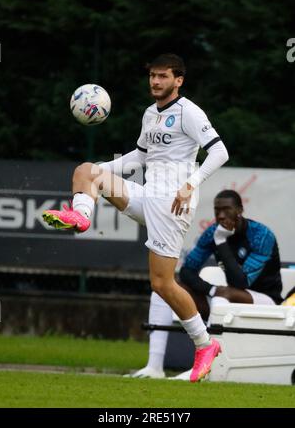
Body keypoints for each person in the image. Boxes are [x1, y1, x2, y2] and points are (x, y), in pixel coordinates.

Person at [42, 53, 229, 382]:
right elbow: (140, 157)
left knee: (161, 284)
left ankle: (205, 344)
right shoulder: (149, 114)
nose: (156, 82)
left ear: (178, 80)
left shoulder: (188, 112)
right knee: (86, 171)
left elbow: (219, 151)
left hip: (173, 204)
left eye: (163, 76)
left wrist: (190, 185)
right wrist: (104, 168)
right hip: (147, 194)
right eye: (153, 76)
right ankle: (81, 217)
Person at [131, 189, 282, 379]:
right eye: (217, 210)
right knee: (163, 291)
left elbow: (241, 282)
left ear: (240, 210)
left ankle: (206, 366)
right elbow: (187, 271)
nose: (220, 216)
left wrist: (221, 241)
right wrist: (211, 289)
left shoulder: (261, 235)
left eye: (226, 210)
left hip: (267, 303)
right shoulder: (213, 232)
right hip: (228, 300)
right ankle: (154, 367)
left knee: (222, 296)